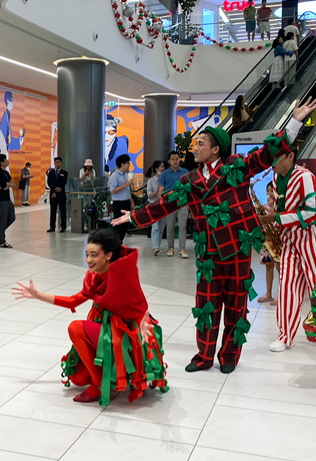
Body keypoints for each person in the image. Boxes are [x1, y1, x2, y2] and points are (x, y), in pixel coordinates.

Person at [112, 97, 316, 374]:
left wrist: (294, 121)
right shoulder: (190, 180)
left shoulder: (236, 167)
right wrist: (133, 216)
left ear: (215, 149)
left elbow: (266, 154)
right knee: (206, 305)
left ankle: (229, 356)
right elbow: (167, 202)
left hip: (237, 247)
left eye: (200, 144)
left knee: (236, 305)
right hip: (208, 252)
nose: (195, 148)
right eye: (195, 144)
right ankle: (204, 356)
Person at [12, 228, 167, 405]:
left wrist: (142, 324)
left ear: (108, 255)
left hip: (125, 335)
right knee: (78, 378)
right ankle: (101, 377)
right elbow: (73, 301)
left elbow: (138, 307)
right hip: (107, 331)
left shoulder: (123, 274)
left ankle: (99, 384)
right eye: (87, 254)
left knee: (76, 328)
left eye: (94, 255)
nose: (88, 260)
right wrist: (38, 294)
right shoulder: (94, 277)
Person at [259, 142, 316, 352]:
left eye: (276, 158)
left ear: (290, 156)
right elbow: (281, 209)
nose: (271, 162)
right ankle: (285, 335)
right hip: (289, 239)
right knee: (287, 287)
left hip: (310, 238)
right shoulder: (275, 179)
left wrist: (278, 217)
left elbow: (313, 212)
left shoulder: (305, 177)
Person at [160, 151, 189, 258]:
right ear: (169, 161)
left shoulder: (185, 172)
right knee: (170, 226)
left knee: (183, 226)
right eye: (172, 159)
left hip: (182, 202)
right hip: (169, 203)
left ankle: (182, 249)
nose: (175, 161)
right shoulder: (164, 174)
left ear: (179, 159)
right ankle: (170, 248)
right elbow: (162, 189)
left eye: (177, 159)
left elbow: (188, 188)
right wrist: (161, 203)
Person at [257, 182, 280, 306]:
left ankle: (281, 295)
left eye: (272, 190)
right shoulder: (264, 205)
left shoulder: (279, 206)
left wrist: (267, 209)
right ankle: (268, 293)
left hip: (278, 239)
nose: (269, 193)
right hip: (267, 239)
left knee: (279, 268)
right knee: (268, 266)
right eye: (268, 190)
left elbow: (275, 215)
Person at [108, 154, 133, 243]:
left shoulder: (126, 175)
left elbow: (127, 191)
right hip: (118, 203)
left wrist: (131, 201)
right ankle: (116, 243)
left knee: (125, 224)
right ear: (122, 164)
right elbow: (112, 190)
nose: (128, 165)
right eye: (127, 163)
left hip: (126, 202)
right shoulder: (114, 176)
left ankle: (120, 242)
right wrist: (126, 184)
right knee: (118, 225)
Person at [0, 153, 16, 248]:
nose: (7, 161)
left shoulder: (6, 173)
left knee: (12, 218)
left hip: (7, 199)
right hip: (1, 200)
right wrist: (7, 184)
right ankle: (2, 241)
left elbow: (13, 183)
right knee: (3, 220)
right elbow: (3, 186)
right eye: (5, 159)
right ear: (2, 162)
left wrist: (8, 184)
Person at [146, 160, 166, 255]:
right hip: (153, 205)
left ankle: (158, 245)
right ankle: (155, 247)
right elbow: (150, 195)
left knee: (161, 227)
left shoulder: (165, 179)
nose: (163, 169)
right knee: (155, 227)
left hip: (163, 206)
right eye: (161, 167)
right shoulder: (151, 181)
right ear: (157, 169)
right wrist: (158, 189)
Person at [46, 156, 68, 233]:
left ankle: (63, 227)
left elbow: (63, 183)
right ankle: (52, 227)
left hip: (61, 194)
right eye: (56, 162)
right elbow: (49, 183)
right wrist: (54, 189)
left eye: (59, 162)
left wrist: (58, 189)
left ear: (61, 163)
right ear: (54, 163)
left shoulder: (64, 173)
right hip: (53, 194)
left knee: (62, 211)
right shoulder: (51, 173)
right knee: (53, 211)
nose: (57, 164)